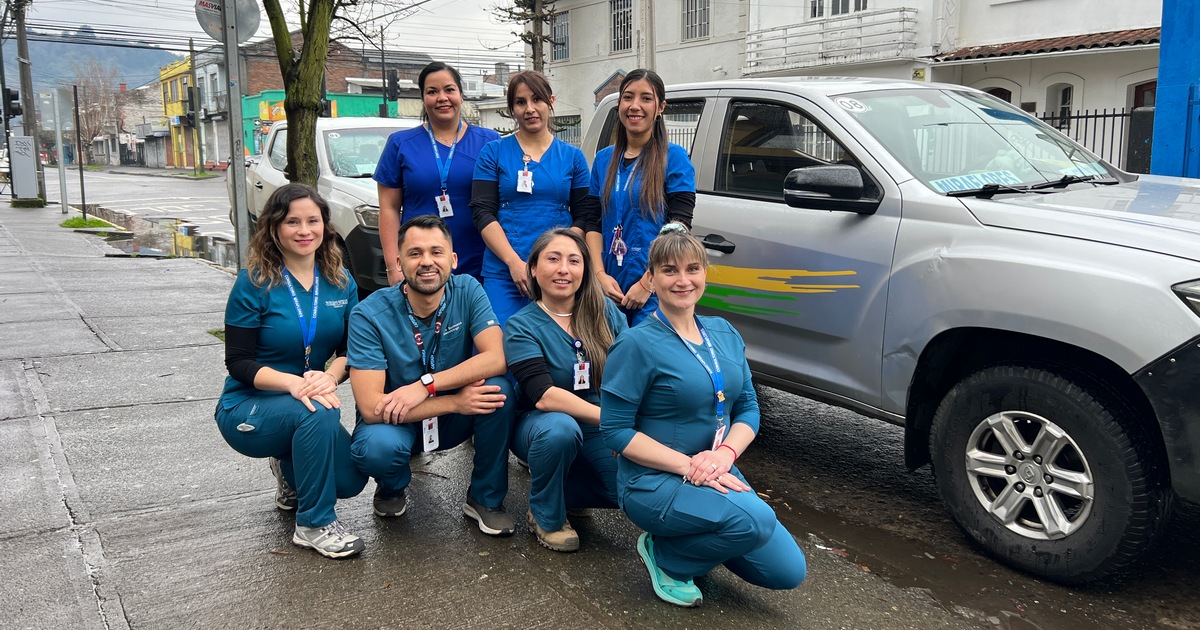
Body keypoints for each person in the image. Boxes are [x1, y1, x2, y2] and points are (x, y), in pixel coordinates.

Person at [600, 225, 807, 607]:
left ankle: (694, 536)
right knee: (756, 521)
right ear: (651, 278)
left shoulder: (724, 332)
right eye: (669, 270)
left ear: (705, 274)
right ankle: (667, 559)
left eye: (693, 269)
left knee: (787, 571)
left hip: (715, 468)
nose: (683, 280)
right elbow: (615, 431)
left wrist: (724, 455)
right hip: (654, 479)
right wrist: (688, 466)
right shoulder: (635, 344)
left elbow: (747, 406)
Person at [215, 183, 367, 559]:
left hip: (310, 398)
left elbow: (351, 350)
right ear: (274, 228)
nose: (304, 231)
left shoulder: (341, 281)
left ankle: (288, 465)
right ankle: (314, 523)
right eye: (292, 222)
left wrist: (331, 375)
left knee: (350, 480)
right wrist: (295, 384)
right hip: (249, 404)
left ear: (325, 226)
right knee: (319, 410)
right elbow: (238, 362)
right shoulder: (253, 281)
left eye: (312, 221)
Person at [348, 214, 517, 536]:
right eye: (415, 253)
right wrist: (453, 402)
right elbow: (371, 408)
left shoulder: (467, 289)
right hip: (397, 420)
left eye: (436, 252)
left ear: (452, 260)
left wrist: (427, 385)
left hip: (447, 416)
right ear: (399, 262)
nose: (427, 262)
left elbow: (497, 358)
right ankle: (391, 484)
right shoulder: (368, 314)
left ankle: (485, 499)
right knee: (377, 449)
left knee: (499, 392)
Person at [503, 229, 626, 552]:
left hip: (599, 420)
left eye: (574, 261)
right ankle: (546, 514)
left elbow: (633, 373)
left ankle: (567, 490)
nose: (563, 269)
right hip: (541, 424)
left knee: (627, 489)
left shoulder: (605, 312)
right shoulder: (520, 326)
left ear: (584, 268)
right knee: (561, 429)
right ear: (533, 268)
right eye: (553, 259)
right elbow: (544, 396)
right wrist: (614, 422)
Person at [470, 71, 596, 325]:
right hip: (505, 271)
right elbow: (482, 211)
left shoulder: (573, 157)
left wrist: (558, 262)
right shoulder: (493, 152)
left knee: (556, 348)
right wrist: (514, 263)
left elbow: (585, 215)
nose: (530, 109)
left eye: (537, 99)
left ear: (550, 101)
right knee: (501, 348)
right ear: (512, 109)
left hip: (558, 275)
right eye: (520, 102)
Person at [585, 69, 696, 326]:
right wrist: (599, 275)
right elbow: (592, 221)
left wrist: (648, 282)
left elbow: (679, 227)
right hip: (609, 285)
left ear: (661, 107)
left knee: (649, 359)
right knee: (608, 359)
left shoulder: (674, 158)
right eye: (628, 97)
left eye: (646, 98)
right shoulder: (603, 160)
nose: (635, 106)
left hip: (656, 289)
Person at [376, 61, 501, 284]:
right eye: (432, 92)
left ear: (461, 95)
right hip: (421, 265)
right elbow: (389, 209)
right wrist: (393, 267)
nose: (442, 97)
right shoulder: (400, 144)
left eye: (449, 90)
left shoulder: (489, 142)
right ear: (423, 99)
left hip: (481, 262)